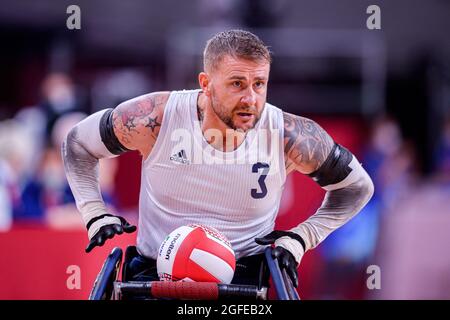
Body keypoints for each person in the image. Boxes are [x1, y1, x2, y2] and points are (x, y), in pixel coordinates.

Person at [62, 30, 374, 288]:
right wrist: (94, 213)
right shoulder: (156, 117)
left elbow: (357, 187)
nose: (250, 98)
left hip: (244, 282)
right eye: (237, 83)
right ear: (206, 84)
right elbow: (78, 143)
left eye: (259, 84)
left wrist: (302, 238)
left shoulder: (288, 134)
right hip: (154, 277)